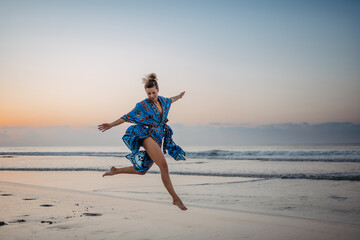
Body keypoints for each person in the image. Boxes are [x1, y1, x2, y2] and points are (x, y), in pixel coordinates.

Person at [98, 73, 187, 210]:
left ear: (158, 90)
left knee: (142, 171)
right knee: (164, 166)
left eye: (153, 92)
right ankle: (175, 198)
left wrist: (179, 96)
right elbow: (126, 116)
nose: (151, 96)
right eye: (148, 93)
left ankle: (115, 170)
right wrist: (111, 124)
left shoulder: (164, 101)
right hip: (147, 136)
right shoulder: (143, 105)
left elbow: (171, 99)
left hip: (158, 138)